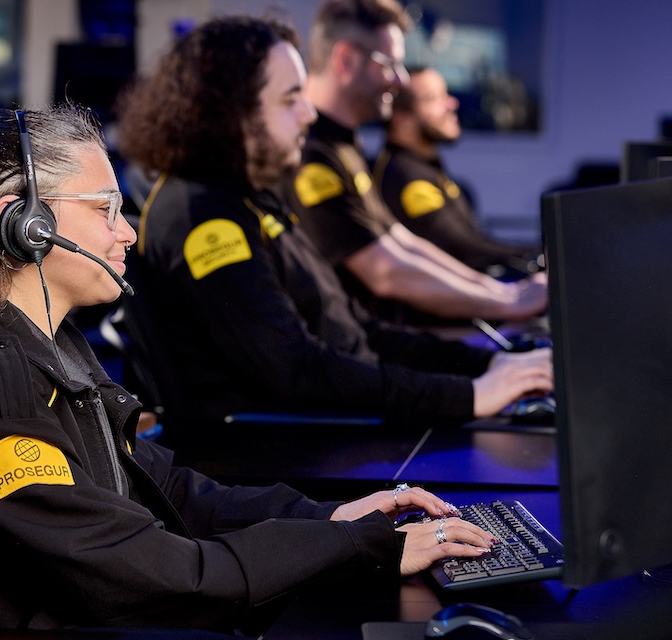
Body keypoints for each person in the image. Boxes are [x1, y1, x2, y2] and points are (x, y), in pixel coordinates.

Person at [0, 87, 499, 632]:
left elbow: (172, 493)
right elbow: (147, 573)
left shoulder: (46, 348)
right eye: (105, 210)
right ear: (23, 223)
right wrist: (356, 549)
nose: (127, 231)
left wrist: (330, 518)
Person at [117, 17, 552, 438]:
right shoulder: (206, 221)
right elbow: (296, 369)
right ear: (231, 114)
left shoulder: (250, 196)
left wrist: (486, 366)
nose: (308, 114)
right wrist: (468, 395)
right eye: (290, 100)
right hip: (281, 453)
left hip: (332, 423)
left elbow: (357, 328)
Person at [284, 0, 547, 324]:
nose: (400, 80)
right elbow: (384, 271)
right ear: (346, 60)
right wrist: (507, 303)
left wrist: (504, 293)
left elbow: (400, 242)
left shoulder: (344, 144)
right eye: (390, 64)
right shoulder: (311, 152)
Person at [374, 66, 543, 276]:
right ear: (402, 120)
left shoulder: (424, 168)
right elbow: (459, 248)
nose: (452, 103)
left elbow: (473, 241)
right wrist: (539, 256)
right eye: (433, 98)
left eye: (446, 94)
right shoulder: (406, 177)